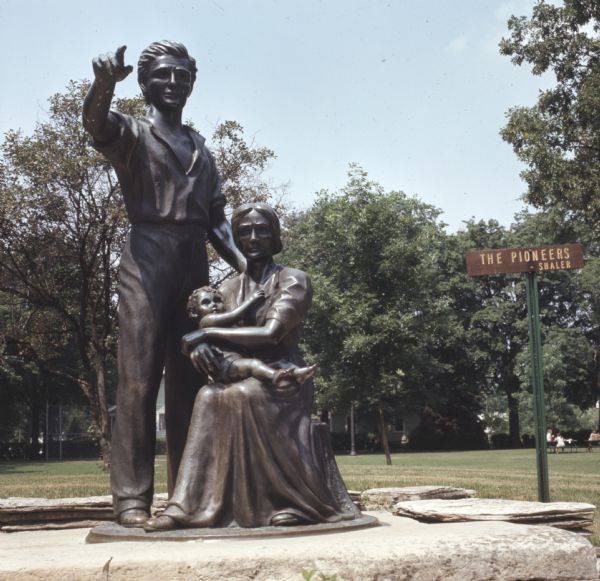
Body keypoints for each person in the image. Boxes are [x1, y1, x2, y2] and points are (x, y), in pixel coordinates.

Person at [82, 41, 245, 527]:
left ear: (192, 83)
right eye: (164, 76)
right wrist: (103, 84)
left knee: (192, 380)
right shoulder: (132, 133)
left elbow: (218, 222)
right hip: (147, 256)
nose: (173, 83)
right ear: (145, 83)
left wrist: (247, 270)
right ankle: (131, 500)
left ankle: (187, 496)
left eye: (182, 76)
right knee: (137, 380)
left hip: (194, 263)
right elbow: (95, 123)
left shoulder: (201, 148)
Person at [144, 203, 353, 531]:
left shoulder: (293, 281)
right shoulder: (226, 289)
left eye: (262, 230)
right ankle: (186, 506)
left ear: (275, 236)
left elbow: (271, 333)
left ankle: (293, 502)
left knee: (244, 394)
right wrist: (202, 346)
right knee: (209, 396)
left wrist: (206, 332)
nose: (253, 237)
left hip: (284, 377)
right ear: (237, 239)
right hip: (241, 370)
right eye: (244, 232)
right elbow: (219, 339)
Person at [187, 285, 317, 386]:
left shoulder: (217, 322)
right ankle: (276, 377)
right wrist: (251, 300)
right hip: (224, 365)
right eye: (206, 302)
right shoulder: (206, 321)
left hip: (234, 359)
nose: (213, 304)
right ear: (194, 312)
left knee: (275, 362)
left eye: (217, 300)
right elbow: (234, 315)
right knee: (253, 365)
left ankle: (295, 372)